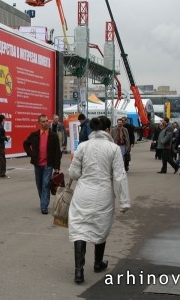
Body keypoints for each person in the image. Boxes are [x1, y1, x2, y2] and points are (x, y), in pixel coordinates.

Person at [68, 116, 130, 284]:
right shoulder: (114, 148)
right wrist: (124, 201)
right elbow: (119, 175)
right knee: (101, 226)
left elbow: (73, 174)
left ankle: (78, 271)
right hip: (103, 193)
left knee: (80, 228)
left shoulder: (82, 146)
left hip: (83, 192)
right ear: (108, 130)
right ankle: (98, 262)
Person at [23, 114, 62, 214]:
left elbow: (57, 152)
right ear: (39, 123)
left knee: (45, 184)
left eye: (47, 121)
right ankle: (43, 201)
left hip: (48, 164)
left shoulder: (53, 136)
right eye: (43, 121)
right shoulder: (34, 135)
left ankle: (44, 206)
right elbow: (26, 144)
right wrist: (31, 154)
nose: (46, 123)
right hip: (37, 164)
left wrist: (57, 167)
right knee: (39, 184)